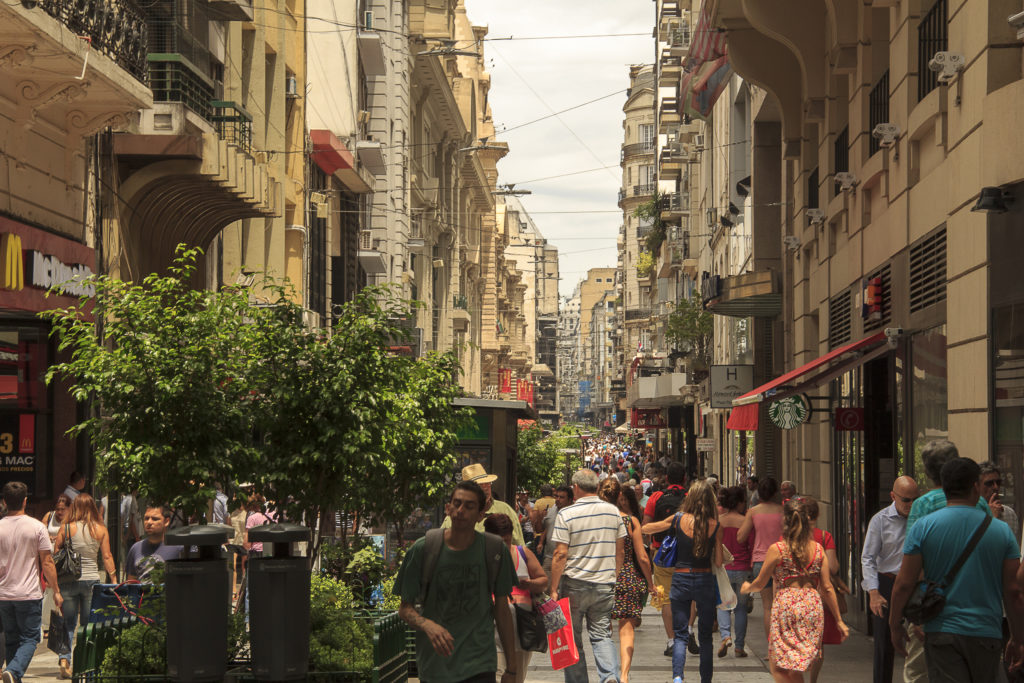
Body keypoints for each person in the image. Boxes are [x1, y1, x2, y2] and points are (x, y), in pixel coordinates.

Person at [890, 457, 1024, 682]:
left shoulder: (923, 527)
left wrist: (895, 625)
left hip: (942, 632)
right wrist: (1018, 638)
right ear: (975, 487)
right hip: (986, 632)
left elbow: (904, 583)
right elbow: (1013, 592)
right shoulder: (1001, 532)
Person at [396, 480, 518, 683]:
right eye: (457, 503)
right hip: (436, 666)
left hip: (480, 664)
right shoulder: (423, 549)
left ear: (481, 515)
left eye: (469, 506)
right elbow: (405, 609)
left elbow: (502, 609)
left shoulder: (494, 550)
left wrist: (512, 669)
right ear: (448, 508)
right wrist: (428, 625)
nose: (461, 510)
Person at [902, 440, 990, 682]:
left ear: (928, 472)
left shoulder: (923, 505)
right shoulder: (981, 504)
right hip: (978, 610)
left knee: (918, 674)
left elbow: (913, 565)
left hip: (935, 610)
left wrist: (915, 615)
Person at [741, 497, 848, 683]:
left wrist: (747, 587)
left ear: (786, 521)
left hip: (787, 605)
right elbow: (828, 587)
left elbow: (760, 582)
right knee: (797, 664)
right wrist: (839, 621)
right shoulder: (818, 549)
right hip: (812, 605)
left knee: (779, 665)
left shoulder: (778, 549)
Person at [641, 479, 724, 683]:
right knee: (705, 637)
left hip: (681, 577)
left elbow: (648, 528)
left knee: (679, 635)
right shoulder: (715, 525)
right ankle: (706, 680)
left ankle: (678, 677)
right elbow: (720, 561)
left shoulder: (678, 519)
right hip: (704, 579)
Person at [549, 468, 627, 683]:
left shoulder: (567, 513)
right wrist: (614, 576)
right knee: (601, 635)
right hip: (604, 584)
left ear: (575, 488)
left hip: (574, 585)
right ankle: (610, 676)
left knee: (572, 639)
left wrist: (553, 588)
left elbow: (560, 553)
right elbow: (620, 551)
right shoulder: (613, 512)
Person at [0, 481, 63, 683]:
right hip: (28, 594)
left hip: (3, 593)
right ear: (25, 501)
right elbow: (47, 561)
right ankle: (14, 671)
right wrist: (56, 590)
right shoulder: (37, 527)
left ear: (4, 501)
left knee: (11, 638)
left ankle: (12, 673)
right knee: (29, 639)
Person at [860, 476, 919, 683]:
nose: (910, 505)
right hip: (887, 582)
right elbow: (868, 558)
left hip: (914, 583)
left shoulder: (921, 518)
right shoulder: (880, 520)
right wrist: (873, 592)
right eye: (906, 500)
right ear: (893, 496)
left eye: (914, 499)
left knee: (919, 637)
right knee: (884, 643)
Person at [52, 493, 116, 678]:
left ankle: (65, 659)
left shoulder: (66, 527)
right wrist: (113, 579)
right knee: (88, 625)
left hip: (68, 580)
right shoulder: (101, 529)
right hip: (91, 581)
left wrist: (54, 583)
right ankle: (84, 664)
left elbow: (56, 554)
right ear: (93, 508)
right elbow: (107, 556)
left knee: (68, 623)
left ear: (74, 508)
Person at [599, 478, 653, 683]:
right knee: (627, 629)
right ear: (619, 498)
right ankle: (623, 675)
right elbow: (642, 556)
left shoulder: (598, 520)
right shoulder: (631, 521)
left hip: (601, 577)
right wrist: (650, 583)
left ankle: (608, 673)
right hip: (628, 578)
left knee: (602, 631)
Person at [483, 513, 547, 683]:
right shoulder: (480, 557)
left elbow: (543, 581)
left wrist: (529, 584)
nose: (504, 545)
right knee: (496, 675)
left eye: (507, 540)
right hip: (492, 630)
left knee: (516, 678)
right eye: (499, 541)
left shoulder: (522, 553)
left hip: (522, 629)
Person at [643, 461, 688, 657]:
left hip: (661, 554)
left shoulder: (656, 496)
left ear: (666, 479)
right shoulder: (691, 497)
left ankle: (672, 641)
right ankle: (688, 631)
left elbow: (646, 525)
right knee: (689, 595)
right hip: (688, 553)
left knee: (664, 598)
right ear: (685, 479)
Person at [804, 497, 846, 683]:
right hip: (817, 595)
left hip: (792, 595)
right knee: (817, 643)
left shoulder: (786, 538)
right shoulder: (823, 536)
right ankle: (812, 680)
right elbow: (834, 567)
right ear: (817, 515)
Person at [737, 477, 784, 640]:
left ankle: (771, 649)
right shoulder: (782, 511)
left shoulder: (753, 512)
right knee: (782, 605)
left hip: (760, 561)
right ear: (775, 492)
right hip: (781, 560)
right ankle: (781, 646)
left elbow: (741, 537)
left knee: (767, 607)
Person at [441, 464, 524, 546]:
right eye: (480, 485)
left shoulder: (505, 510)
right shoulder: (455, 517)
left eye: (488, 483)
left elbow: (519, 548)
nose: (485, 488)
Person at [716, 485, 753, 658]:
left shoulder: (719, 521)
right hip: (743, 568)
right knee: (740, 608)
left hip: (723, 569)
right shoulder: (745, 521)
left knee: (723, 605)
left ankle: (725, 636)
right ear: (739, 502)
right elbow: (751, 545)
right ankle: (739, 646)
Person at [125, 505, 183, 582]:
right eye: (146, 518)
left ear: (166, 522)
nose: (149, 522)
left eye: (155, 519)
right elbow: (131, 583)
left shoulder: (179, 548)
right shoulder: (135, 548)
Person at [979, 461, 1020, 545]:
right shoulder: (973, 513)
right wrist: (992, 518)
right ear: (977, 486)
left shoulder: (1009, 513)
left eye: (998, 482)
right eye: (989, 483)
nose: (996, 487)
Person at [539, 486, 573, 576]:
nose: (558, 499)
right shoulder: (551, 509)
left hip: (568, 559)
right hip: (549, 557)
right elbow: (544, 528)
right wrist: (541, 543)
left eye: (561, 497)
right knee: (545, 586)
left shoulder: (574, 514)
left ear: (570, 500)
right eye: (556, 496)